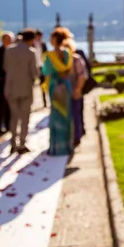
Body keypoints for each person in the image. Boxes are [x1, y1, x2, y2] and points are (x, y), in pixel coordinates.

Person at [4, 29, 39, 154]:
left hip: (11, 88)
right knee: (24, 118)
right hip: (25, 89)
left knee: (14, 117)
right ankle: (22, 143)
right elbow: (34, 73)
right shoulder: (31, 53)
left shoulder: (9, 50)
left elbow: (5, 67)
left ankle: (13, 143)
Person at [42, 27, 74, 155]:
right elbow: (68, 71)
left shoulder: (49, 56)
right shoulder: (67, 53)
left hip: (55, 86)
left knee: (56, 114)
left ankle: (56, 147)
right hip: (66, 86)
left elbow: (46, 72)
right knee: (66, 114)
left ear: (55, 40)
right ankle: (66, 145)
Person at [66, 38, 87, 146]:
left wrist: (78, 89)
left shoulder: (76, 59)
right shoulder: (61, 61)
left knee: (76, 114)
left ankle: (76, 136)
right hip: (64, 93)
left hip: (75, 91)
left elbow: (82, 76)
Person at [34, 30, 48, 107]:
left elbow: (46, 54)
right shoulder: (32, 44)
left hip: (42, 66)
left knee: (43, 83)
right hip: (34, 66)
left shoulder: (43, 44)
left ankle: (44, 101)